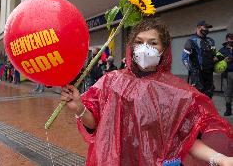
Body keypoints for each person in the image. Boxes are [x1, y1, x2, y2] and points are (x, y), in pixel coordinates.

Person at [61, 18, 233, 166]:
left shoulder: (177, 93)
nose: (145, 48)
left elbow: (187, 138)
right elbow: (94, 125)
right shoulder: (110, 82)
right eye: (139, 42)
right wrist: (80, 108)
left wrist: (220, 159)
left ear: (163, 49)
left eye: (152, 43)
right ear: (131, 47)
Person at [182, 21, 218, 98]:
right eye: (205, 27)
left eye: (208, 28)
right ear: (198, 28)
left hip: (209, 73)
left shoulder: (211, 41)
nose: (207, 30)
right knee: (198, 97)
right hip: (198, 74)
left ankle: (207, 110)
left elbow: (214, 54)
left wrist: (216, 59)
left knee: (209, 95)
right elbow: (184, 58)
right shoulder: (191, 40)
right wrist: (193, 71)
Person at [218, 33, 233, 116]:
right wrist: (224, 60)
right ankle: (228, 110)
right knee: (227, 92)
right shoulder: (222, 50)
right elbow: (216, 61)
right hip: (227, 74)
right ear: (226, 39)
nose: (231, 40)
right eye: (230, 38)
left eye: (232, 38)